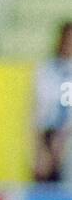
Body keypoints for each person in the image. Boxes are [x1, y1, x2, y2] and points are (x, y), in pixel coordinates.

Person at [33, 20, 72, 183]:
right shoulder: (47, 70)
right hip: (47, 136)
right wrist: (39, 148)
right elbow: (37, 110)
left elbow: (67, 106)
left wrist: (61, 140)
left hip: (66, 138)